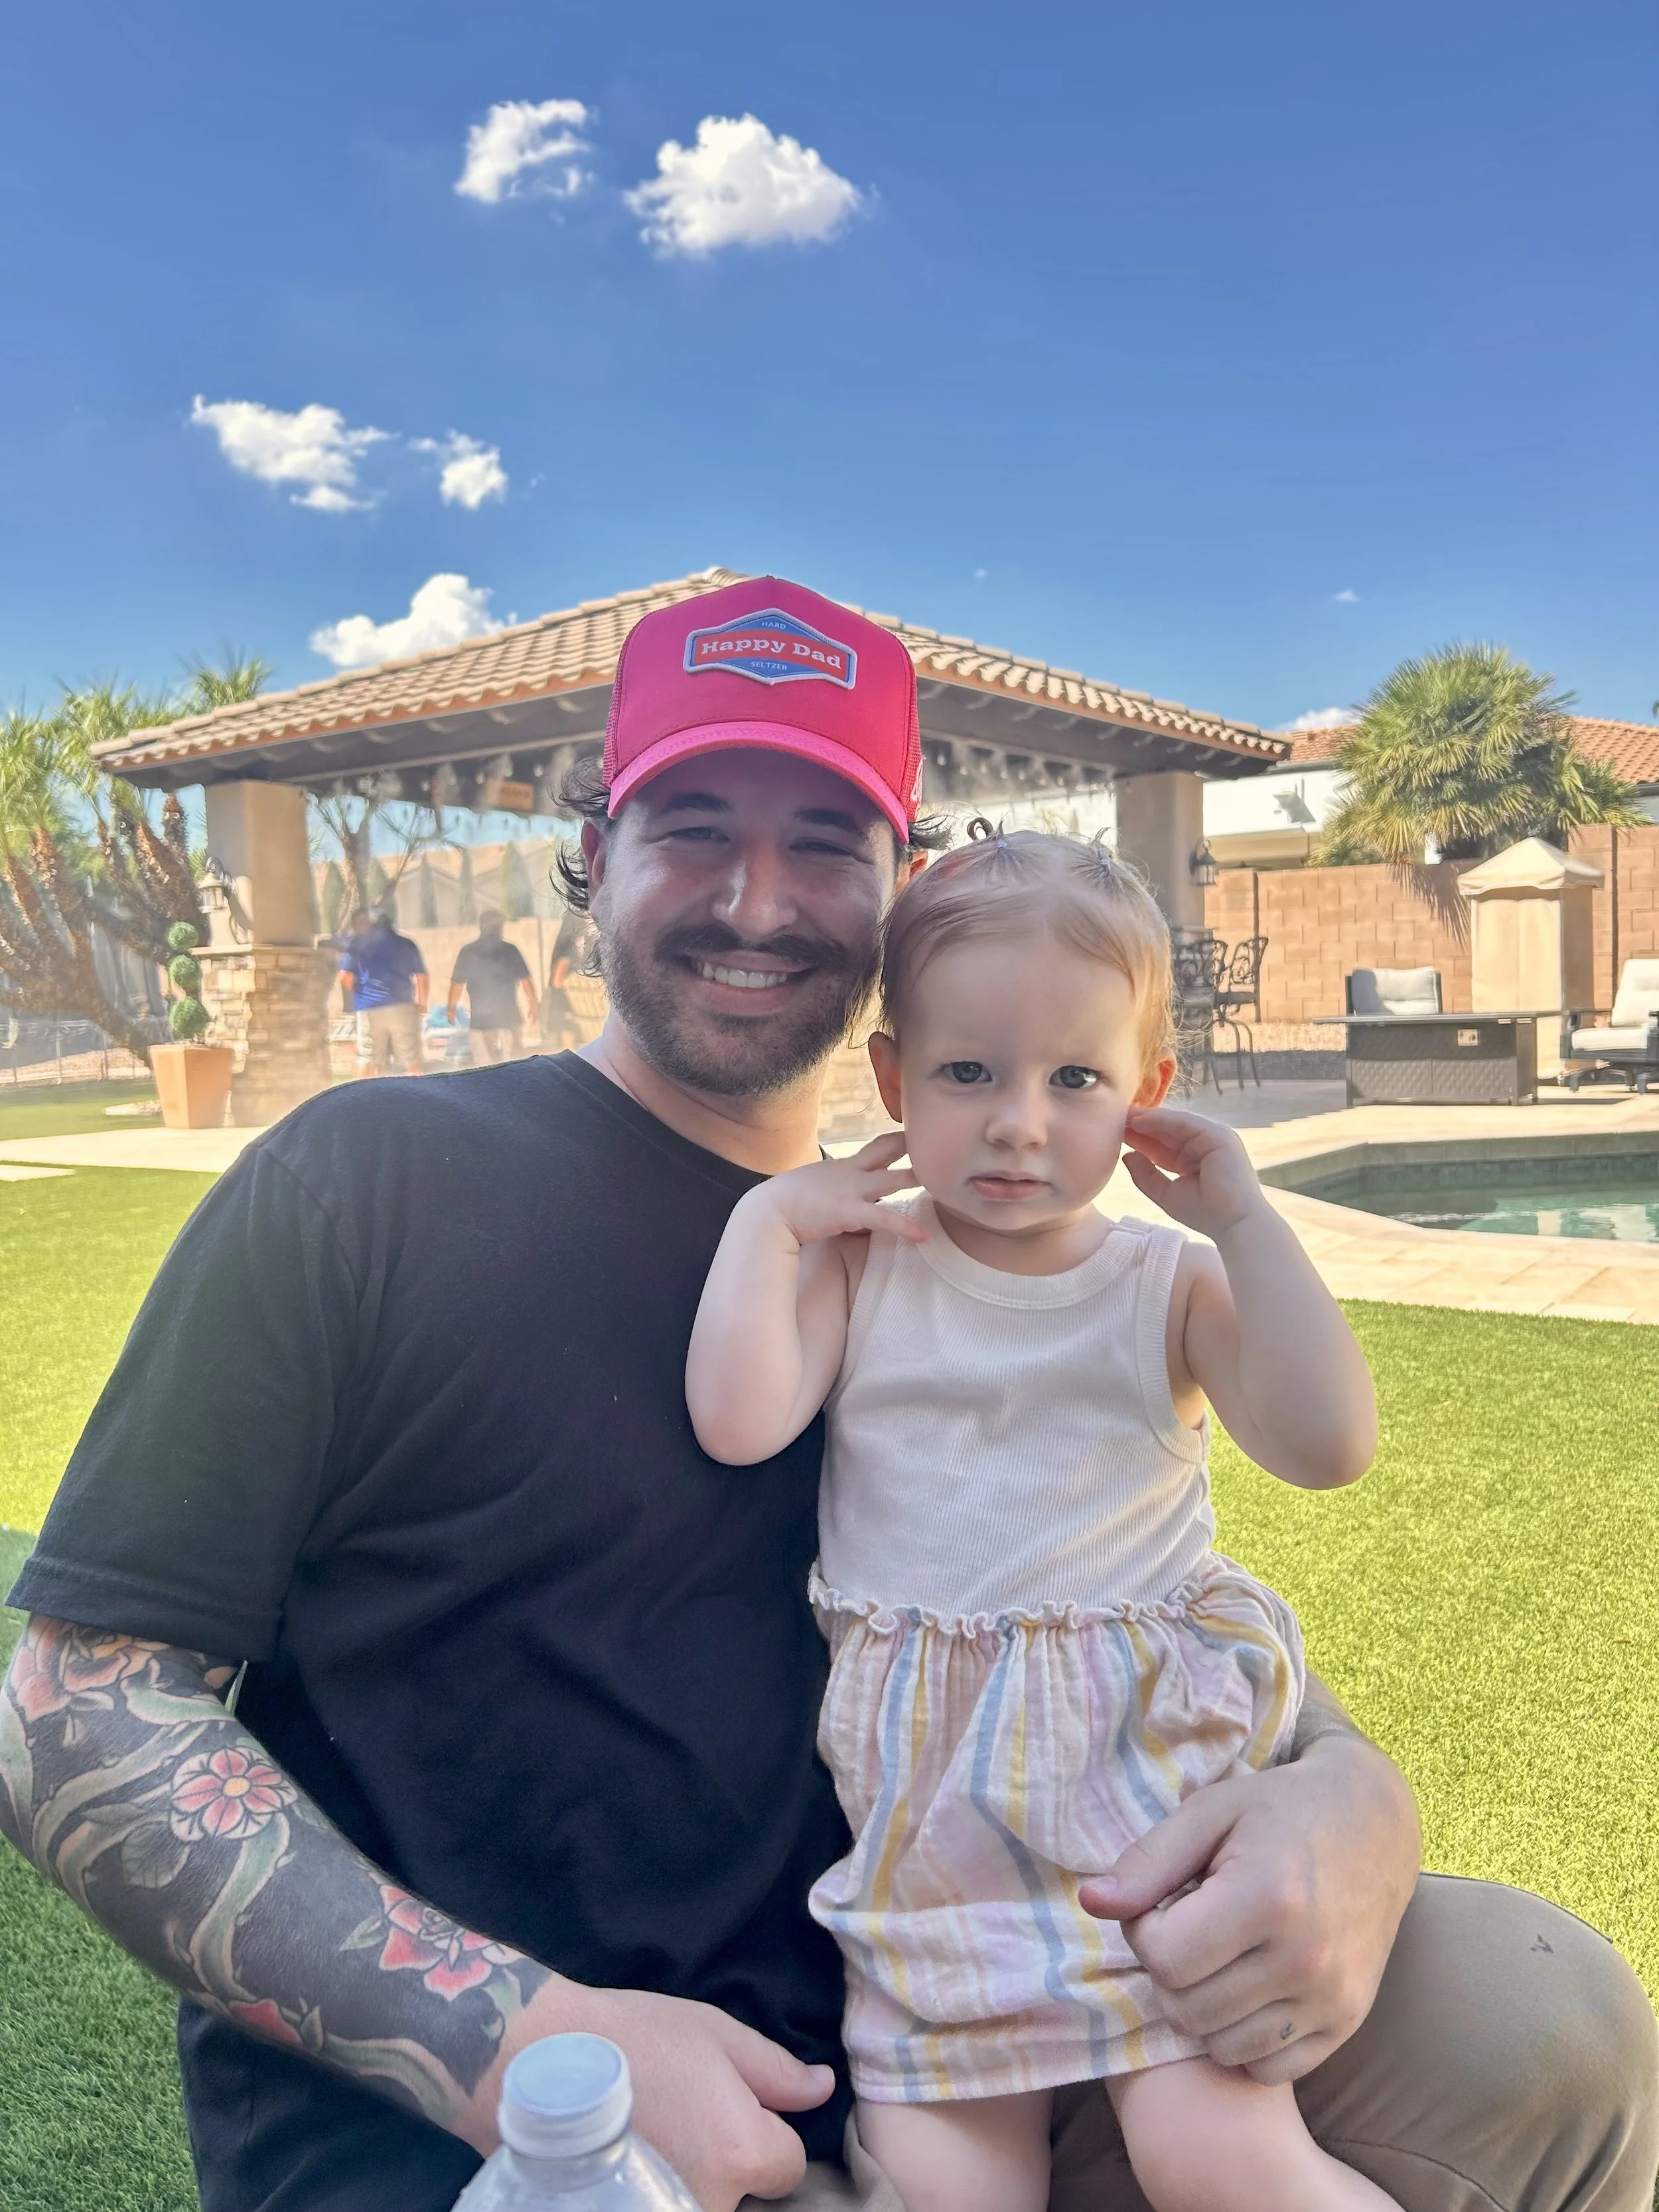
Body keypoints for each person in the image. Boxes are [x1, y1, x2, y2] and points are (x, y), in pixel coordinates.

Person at [0, 575, 1652, 2212]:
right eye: (694, 827)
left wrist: (1349, 1796)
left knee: (1534, 2009)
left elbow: (1117, 1590)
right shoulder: (368, 1184)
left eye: (824, 844)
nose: (758, 899)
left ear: (902, 891)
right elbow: (72, 1720)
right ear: (597, 856)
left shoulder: (968, 1248)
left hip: (993, 2011)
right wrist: (522, 2041)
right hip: (510, 2133)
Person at [687, 830, 1393, 2212]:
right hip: (925, 1816)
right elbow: (737, 1416)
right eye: (967, 1071)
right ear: (893, 1078)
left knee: (1220, 2158)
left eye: (1075, 1077)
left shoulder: (1165, 1284)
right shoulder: (864, 1265)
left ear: (1146, 1097)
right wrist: (765, 1225)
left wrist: (1245, 1221)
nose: (1018, 1119)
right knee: (947, 2182)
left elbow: (1325, 1445)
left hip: (1137, 1796)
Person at [341, 905, 429, 1076]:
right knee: (411, 1060)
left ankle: (361, 1100)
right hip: (402, 1006)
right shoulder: (407, 944)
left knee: (367, 1058)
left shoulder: (359, 945)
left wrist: (360, 994)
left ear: (371, 923)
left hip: (369, 1009)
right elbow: (422, 977)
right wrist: (422, 1004)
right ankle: (420, 1099)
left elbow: (345, 976)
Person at [447, 908, 539, 1065]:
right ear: (499, 927)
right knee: (512, 1064)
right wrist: (534, 1003)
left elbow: (457, 984)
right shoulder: (510, 950)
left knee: (484, 1067)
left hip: (480, 1021)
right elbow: (526, 980)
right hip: (508, 1019)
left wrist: (451, 1008)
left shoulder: (468, 951)